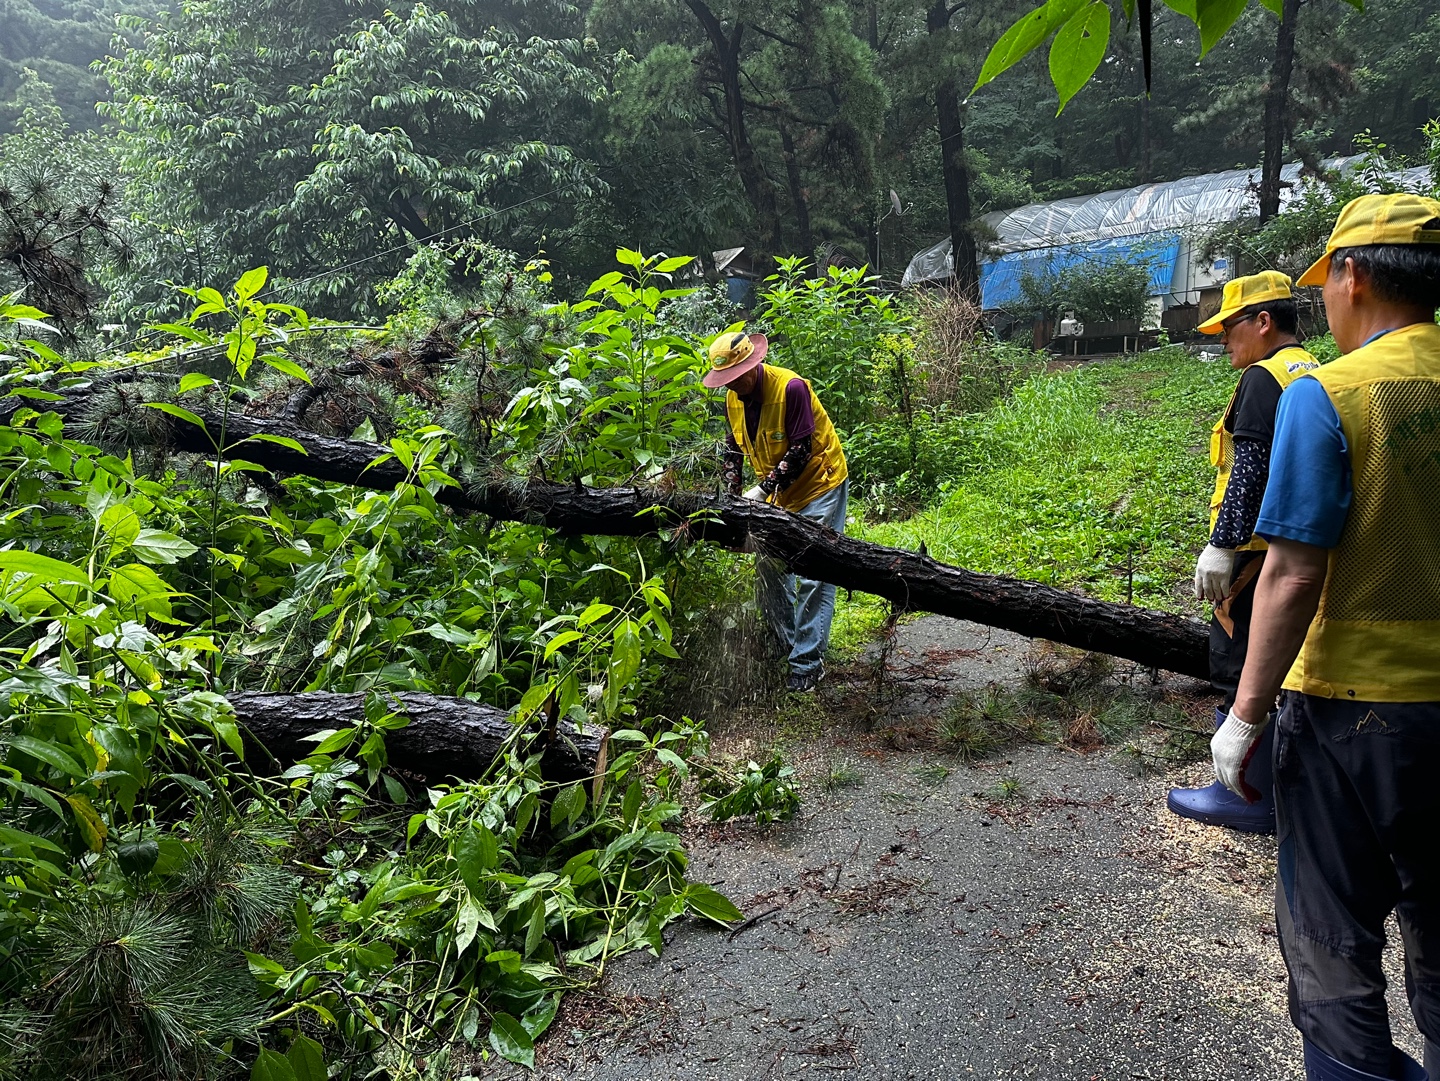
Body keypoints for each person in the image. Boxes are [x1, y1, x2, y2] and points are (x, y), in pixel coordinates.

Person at [1210, 193, 1440, 1081]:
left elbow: (1295, 572)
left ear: (1352, 275)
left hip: (1353, 715)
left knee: (1333, 941)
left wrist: (1245, 714)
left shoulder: (1329, 395)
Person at [1167, 271, 1318, 834]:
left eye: (1229, 328)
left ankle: (1244, 794)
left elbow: (1250, 468)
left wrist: (1221, 545)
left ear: (1263, 322)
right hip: (1294, 545)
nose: (1222, 340)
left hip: (1255, 558)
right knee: (1282, 666)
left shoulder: (1262, 378)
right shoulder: (1311, 370)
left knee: (1239, 662)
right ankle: (1281, 787)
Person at [704, 326, 849, 693]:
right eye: (726, 381)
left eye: (736, 377)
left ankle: (807, 663)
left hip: (819, 483)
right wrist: (734, 501)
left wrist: (760, 490)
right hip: (775, 492)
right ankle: (787, 646)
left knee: (814, 572)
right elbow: (733, 451)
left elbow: (801, 451)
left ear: (754, 364)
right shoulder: (733, 400)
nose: (732, 385)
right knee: (769, 569)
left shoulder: (791, 388)